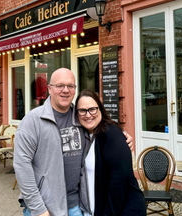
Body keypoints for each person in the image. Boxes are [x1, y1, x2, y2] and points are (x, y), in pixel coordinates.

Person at [14, 68, 132, 216]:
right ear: (50, 89)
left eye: (70, 86)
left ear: (75, 89)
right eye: (60, 86)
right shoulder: (33, 121)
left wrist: (121, 137)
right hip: (45, 207)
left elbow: (99, 130)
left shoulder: (80, 116)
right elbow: (21, 165)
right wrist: (38, 209)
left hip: (76, 206)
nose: (65, 90)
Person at [76, 90, 146, 216]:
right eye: (82, 110)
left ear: (100, 110)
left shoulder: (111, 134)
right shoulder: (86, 136)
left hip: (122, 211)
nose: (88, 115)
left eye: (92, 109)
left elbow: (118, 182)